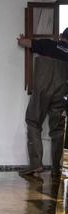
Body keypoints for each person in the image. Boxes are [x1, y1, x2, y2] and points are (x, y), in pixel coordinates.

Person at [17, 28, 68, 177]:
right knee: (57, 129)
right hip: (61, 92)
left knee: (33, 121)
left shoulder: (48, 44)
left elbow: (26, 43)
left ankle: (36, 163)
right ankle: (56, 166)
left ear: (60, 36)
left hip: (42, 89)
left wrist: (21, 39)